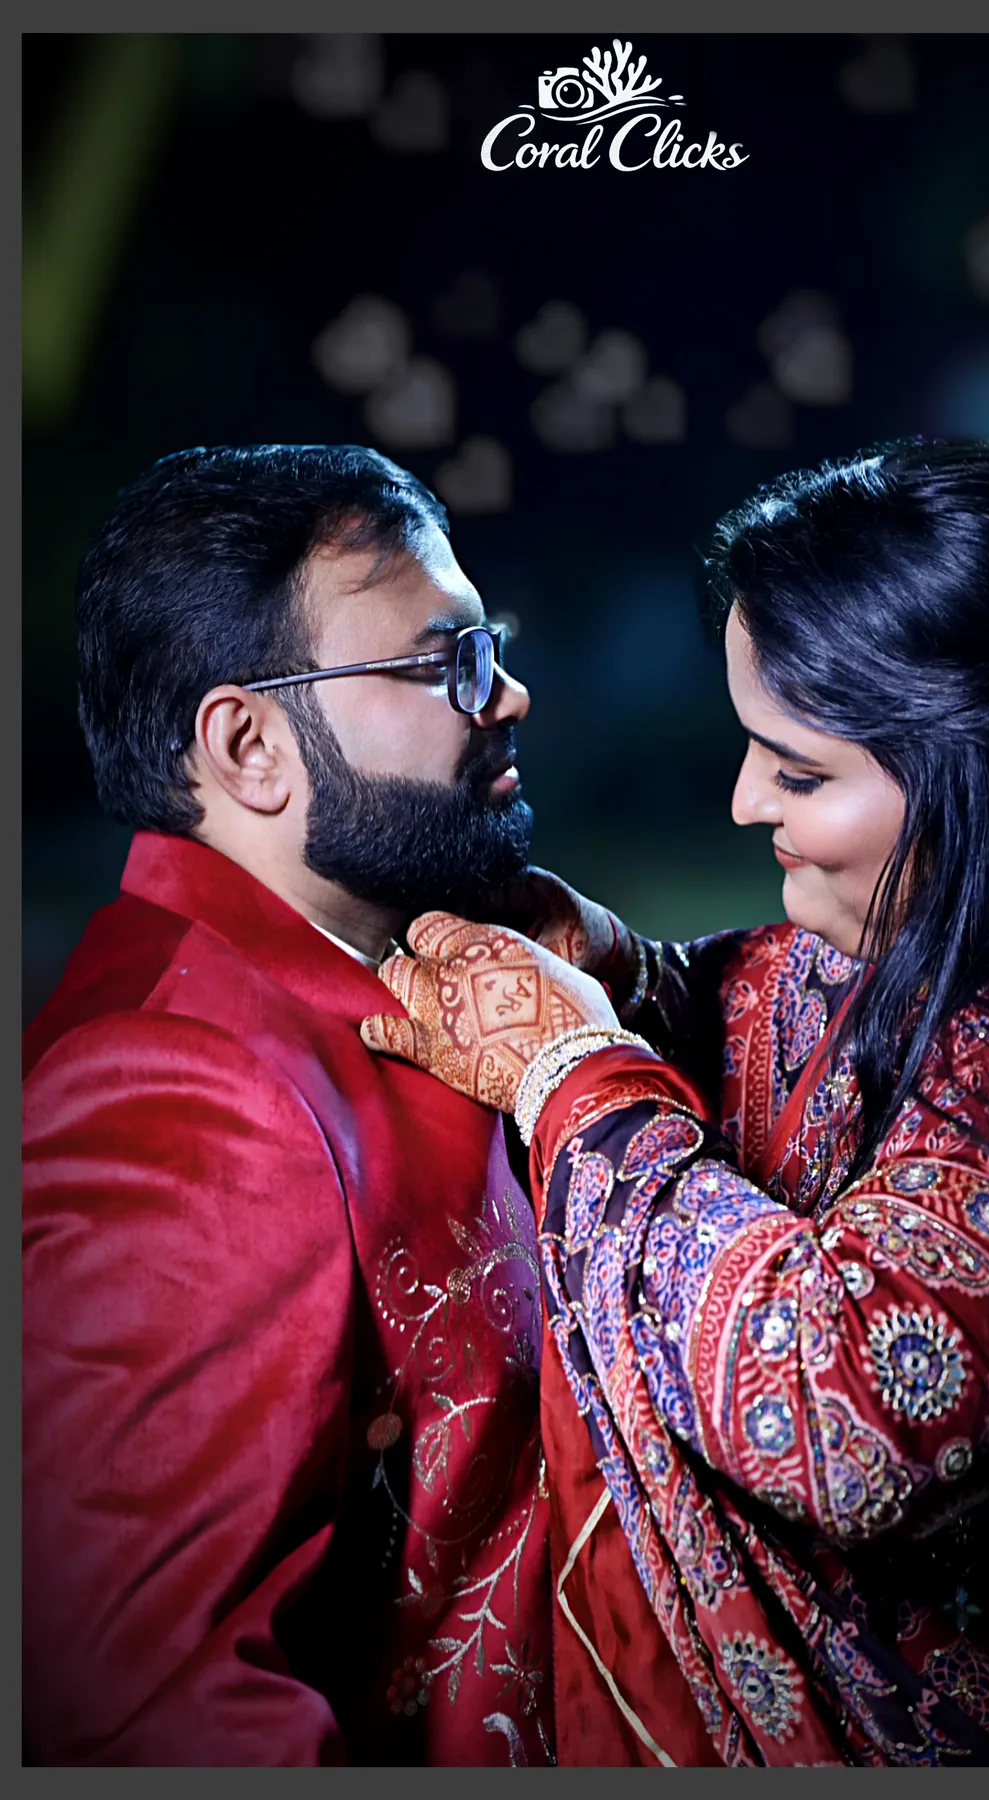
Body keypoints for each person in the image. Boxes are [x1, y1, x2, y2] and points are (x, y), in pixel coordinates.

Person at [360, 439, 989, 1767]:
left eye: (798, 773)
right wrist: (613, 970)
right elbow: (771, 1002)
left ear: (978, 780)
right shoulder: (969, 959)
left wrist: (574, 1077)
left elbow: (836, 1407)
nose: (748, 803)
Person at [22, 443, 607, 1766]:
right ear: (249, 744)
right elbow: (153, 1708)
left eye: (491, 645)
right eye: (442, 660)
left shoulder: (376, 966)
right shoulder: (177, 1090)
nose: (506, 693)